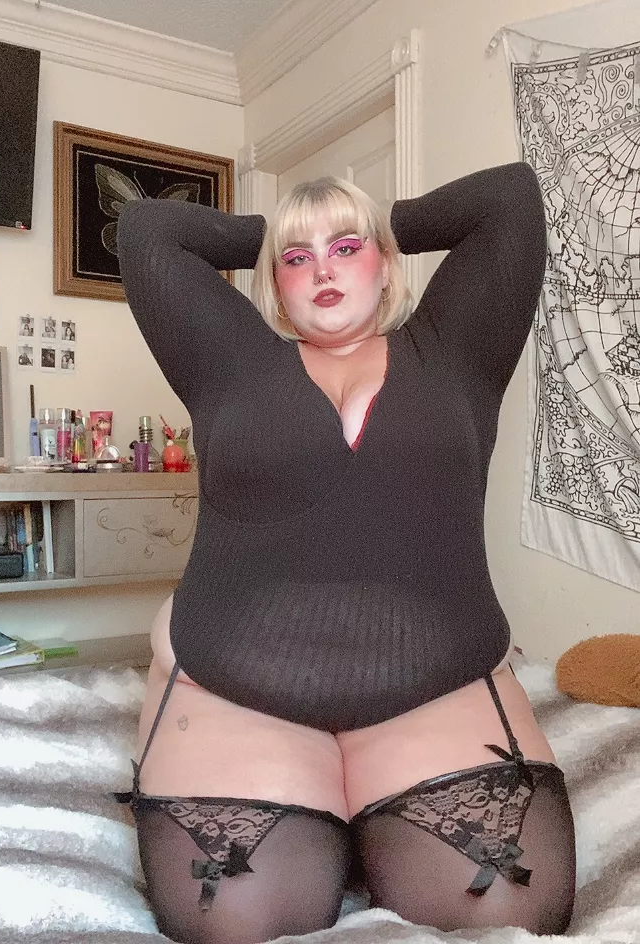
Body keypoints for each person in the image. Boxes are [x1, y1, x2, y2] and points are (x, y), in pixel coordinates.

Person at [116, 163, 576, 944]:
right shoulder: (229, 358)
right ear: (276, 283)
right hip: (236, 684)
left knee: (507, 909)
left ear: (386, 264)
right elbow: (148, 230)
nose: (322, 270)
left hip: (437, 681)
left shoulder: (457, 349)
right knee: (240, 919)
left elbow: (509, 198)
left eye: (346, 249)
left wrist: (376, 220)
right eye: (298, 261)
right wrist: (276, 234)